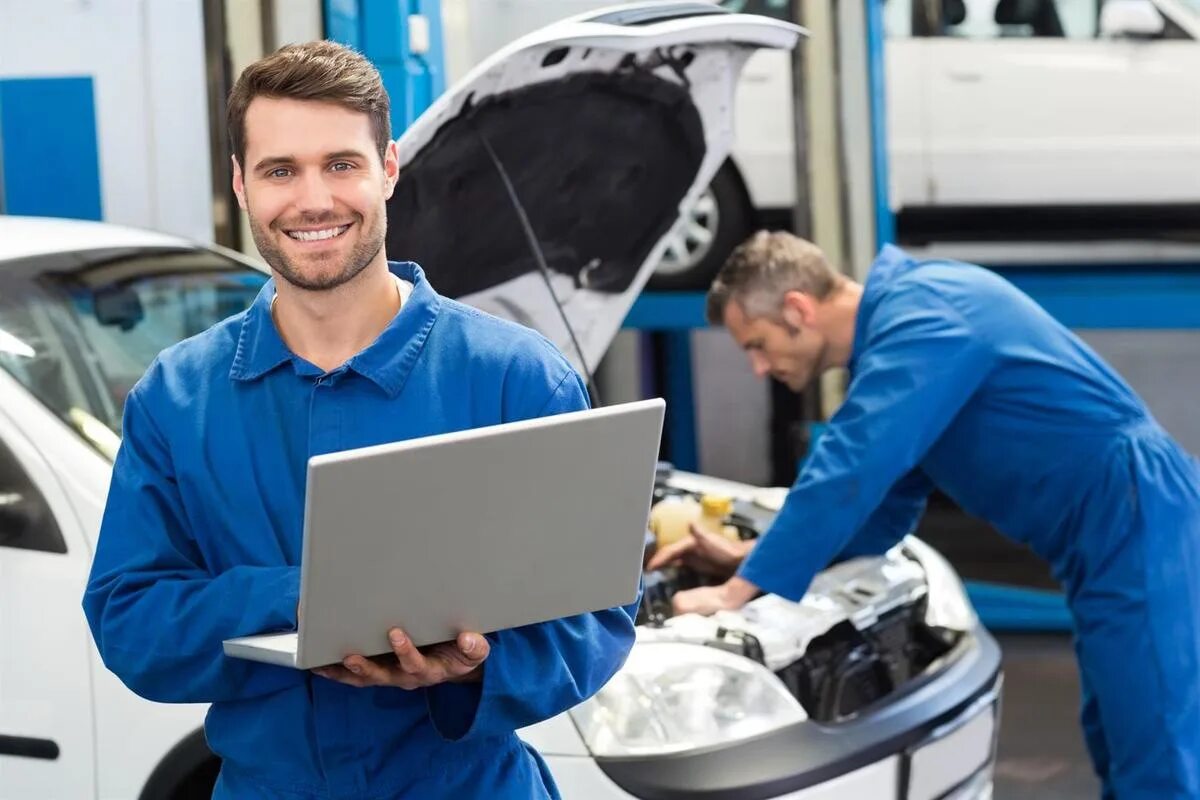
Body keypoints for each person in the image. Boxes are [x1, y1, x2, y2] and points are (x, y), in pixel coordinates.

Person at [82, 41, 638, 800]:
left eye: (341, 164)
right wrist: (302, 600)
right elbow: (129, 620)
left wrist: (473, 669)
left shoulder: (516, 378)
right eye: (281, 170)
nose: (314, 200)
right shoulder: (176, 400)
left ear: (389, 169)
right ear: (242, 186)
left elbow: (597, 613)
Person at [649, 230, 1200, 800]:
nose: (760, 367)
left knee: (1156, 753)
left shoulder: (927, 312)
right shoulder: (909, 345)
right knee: (1122, 737)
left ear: (797, 309)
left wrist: (736, 592)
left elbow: (855, 459)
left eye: (756, 344)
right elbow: (875, 515)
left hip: (1139, 512)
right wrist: (751, 559)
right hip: (1109, 535)